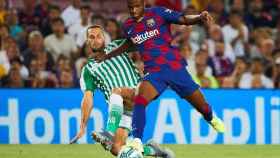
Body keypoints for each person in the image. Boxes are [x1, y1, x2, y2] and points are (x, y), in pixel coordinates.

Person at [94, 0, 225, 147]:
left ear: (143, 5)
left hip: (174, 66)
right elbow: (130, 43)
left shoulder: (158, 13)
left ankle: (211, 118)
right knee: (140, 100)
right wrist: (107, 55)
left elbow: (183, 19)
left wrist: (199, 17)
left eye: (136, 6)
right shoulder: (128, 25)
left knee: (202, 107)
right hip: (153, 71)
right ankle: (137, 141)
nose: (133, 10)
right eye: (130, 7)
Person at [70, 25, 173, 158]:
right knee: (117, 148)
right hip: (120, 110)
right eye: (92, 37)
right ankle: (152, 150)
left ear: (104, 38)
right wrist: (82, 126)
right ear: (87, 41)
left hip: (137, 93)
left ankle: (109, 132)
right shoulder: (88, 70)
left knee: (116, 91)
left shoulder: (117, 46)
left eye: (99, 36)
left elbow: (141, 42)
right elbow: (88, 97)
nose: (96, 39)